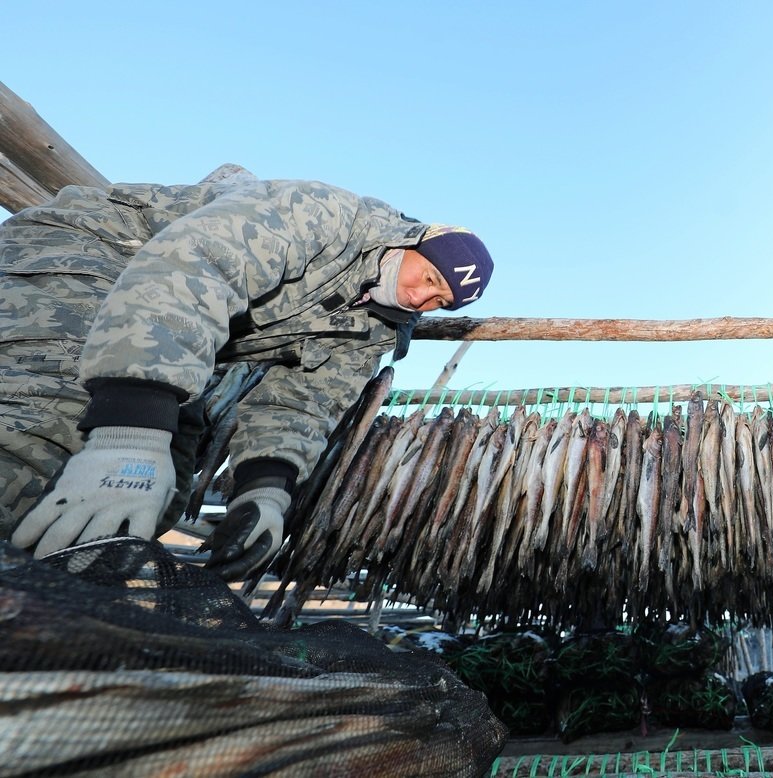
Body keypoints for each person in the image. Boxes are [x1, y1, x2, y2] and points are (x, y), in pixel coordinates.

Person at [0, 177, 494, 579]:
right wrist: (129, 431)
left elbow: (305, 402)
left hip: (181, 336)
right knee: (56, 430)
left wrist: (266, 492)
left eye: (442, 302)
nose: (422, 299)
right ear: (412, 242)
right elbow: (194, 269)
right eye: (430, 278)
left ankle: (41, 602)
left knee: (165, 483)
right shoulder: (321, 214)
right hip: (94, 255)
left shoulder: (378, 326)